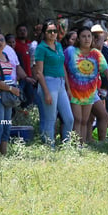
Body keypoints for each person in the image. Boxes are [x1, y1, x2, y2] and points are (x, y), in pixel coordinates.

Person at [64, 26, 108, 144]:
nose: (87, 39)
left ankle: (81, 145)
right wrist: (66, 87)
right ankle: (75, 145)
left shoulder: (96, 53)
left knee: (84, 120)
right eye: (83, 36)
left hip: (89, 93)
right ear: (78, 38)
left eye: (89, 36)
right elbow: (62, 67)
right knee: (77, 119)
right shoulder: (70, 51)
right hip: (74, 91)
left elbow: (105, 68)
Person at [35, 19, 74, 147]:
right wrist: (46, 92)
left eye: (54, 31)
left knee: (69, 119)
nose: (52, 33)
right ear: (44, 33)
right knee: (50, 119)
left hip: (61, 83)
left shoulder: (58, 46)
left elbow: (62, 66)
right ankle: (49, 148)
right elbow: (39, 73)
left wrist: (68, 88)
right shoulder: (41, 48)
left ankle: (67, 147)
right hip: (48, 83)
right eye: (49, 31)